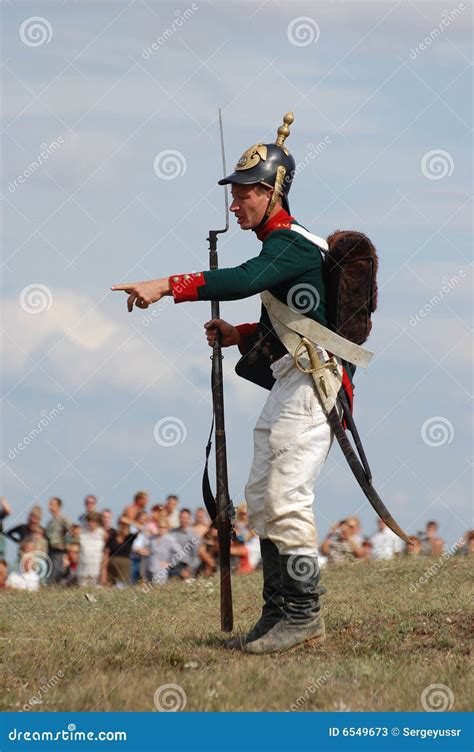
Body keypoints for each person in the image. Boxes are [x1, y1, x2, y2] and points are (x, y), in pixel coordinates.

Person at [111, 111, 361, 654]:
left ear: (273, 192)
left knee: (287, 496)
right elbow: (294, 313)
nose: (235, 201)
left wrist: (164, 285)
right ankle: (277, 614)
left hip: (315, 384)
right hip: (290, 379)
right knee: (261, 497)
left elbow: (245, 281)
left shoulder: (291, 243)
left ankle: (303, 614)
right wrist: (239, 333)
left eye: (246, 191)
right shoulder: (280, 249)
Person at [45, 497, 72, 583]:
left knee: (57, 573)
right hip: (50, 550)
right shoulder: (49, 521)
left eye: (52, 504)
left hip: (59, 552)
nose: (49, 506)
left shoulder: (63, 519)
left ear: (58, 506)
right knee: (50, 573)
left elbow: (71, 531)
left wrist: (66, 545)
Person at [104, 520, 138, 587]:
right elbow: (106, 551)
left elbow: (140, 529)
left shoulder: (130, 538)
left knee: (122, 583)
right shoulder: (112, 537)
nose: (125, 530)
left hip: (125, 565)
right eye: (123, 527)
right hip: (112, 564)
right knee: (111, 582)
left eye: (127, 528)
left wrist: (129, 521)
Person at [148, 517, 180, 585]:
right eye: (159, 527)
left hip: (162, 572)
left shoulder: (170, 539)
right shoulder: (152, 538)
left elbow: (179, 553)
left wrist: (170, 563)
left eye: (163, 527)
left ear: (167, 528)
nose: (161, 529)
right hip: (150, 569)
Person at [169, 509, 200, 579]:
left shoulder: (194, 535)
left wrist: (188, 570)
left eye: (185, 518)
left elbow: (196, 557)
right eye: (182, 518)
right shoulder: (172, 533)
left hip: (187, 567)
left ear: (189, 519)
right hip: (172, 567)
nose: (183, 520)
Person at [77, 512, 106, 587]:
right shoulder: (81, 533)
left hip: (97, 569)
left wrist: (103, 572)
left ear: (98, 522)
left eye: (93, 521)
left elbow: (105, 553)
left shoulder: (103, 534)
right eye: (89, 521)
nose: (91, 523)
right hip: (83, 568)